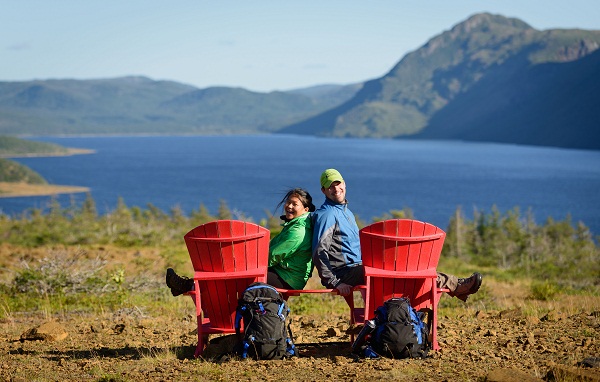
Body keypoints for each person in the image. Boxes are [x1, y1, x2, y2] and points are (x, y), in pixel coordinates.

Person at [312, 168, 482, 301]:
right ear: (323, 190)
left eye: (338, 183)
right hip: (347, 272)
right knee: (399, 269)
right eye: (330, 186)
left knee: (403, 266)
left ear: (344, 184)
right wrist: (335, 282)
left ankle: (444, 292)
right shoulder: (327, 215)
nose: (336, 188)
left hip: (359, 267)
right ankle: (456, 286)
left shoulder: (345, 213)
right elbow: (319, 252)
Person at [166, 188, 316, 295]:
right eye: (288, 202)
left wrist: (246, 265)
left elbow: (272, 256)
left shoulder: (298, 232)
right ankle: (188, 285)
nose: (289, 206)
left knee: (236, 276)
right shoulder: (296, 225)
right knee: (234, 274)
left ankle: (187, 285)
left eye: (295, 204)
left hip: (287, 278)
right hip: (284, 273)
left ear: (306, 209)